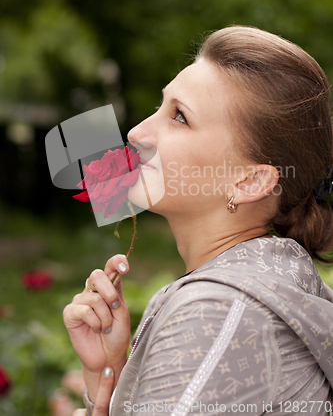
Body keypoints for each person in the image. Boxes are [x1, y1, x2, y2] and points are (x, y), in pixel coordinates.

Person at [65, 26, 333, 416]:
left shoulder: (215, 309)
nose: (136, 132)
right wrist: (108, 376)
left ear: (250, 181)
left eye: (179, 117)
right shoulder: (265, 284)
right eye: (161, 106)